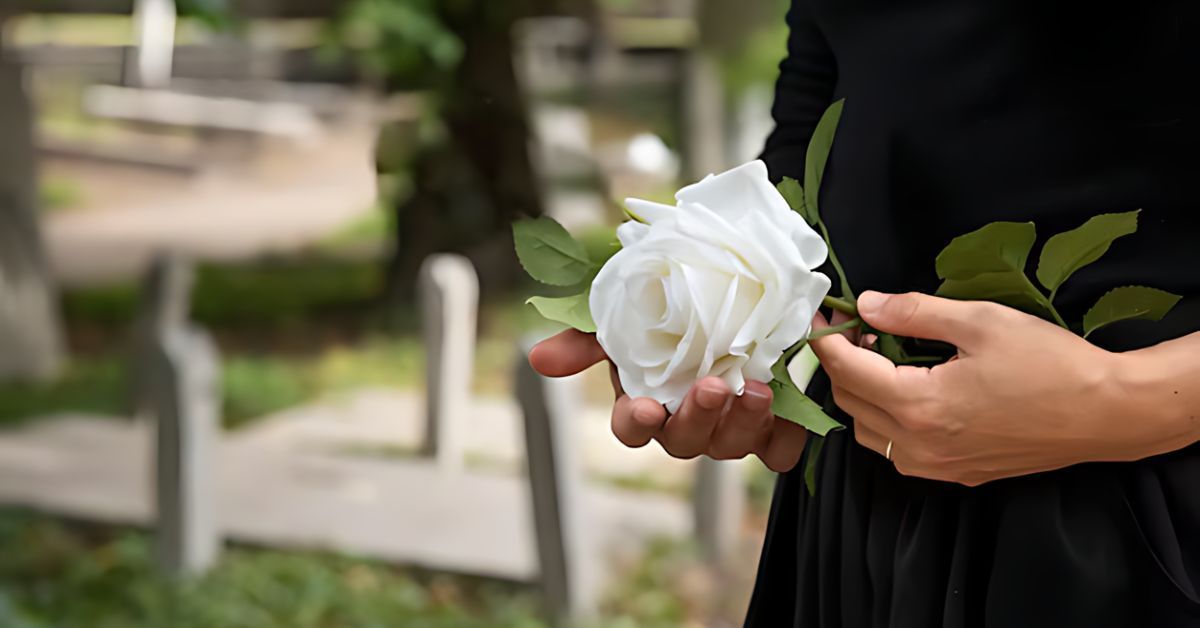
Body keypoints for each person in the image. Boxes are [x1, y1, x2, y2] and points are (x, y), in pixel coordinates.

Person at [530, 1, 1200, 625]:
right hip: (869, 505)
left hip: (1155, 515)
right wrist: (698, 305)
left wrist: (1130, 402)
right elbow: (819, 116)